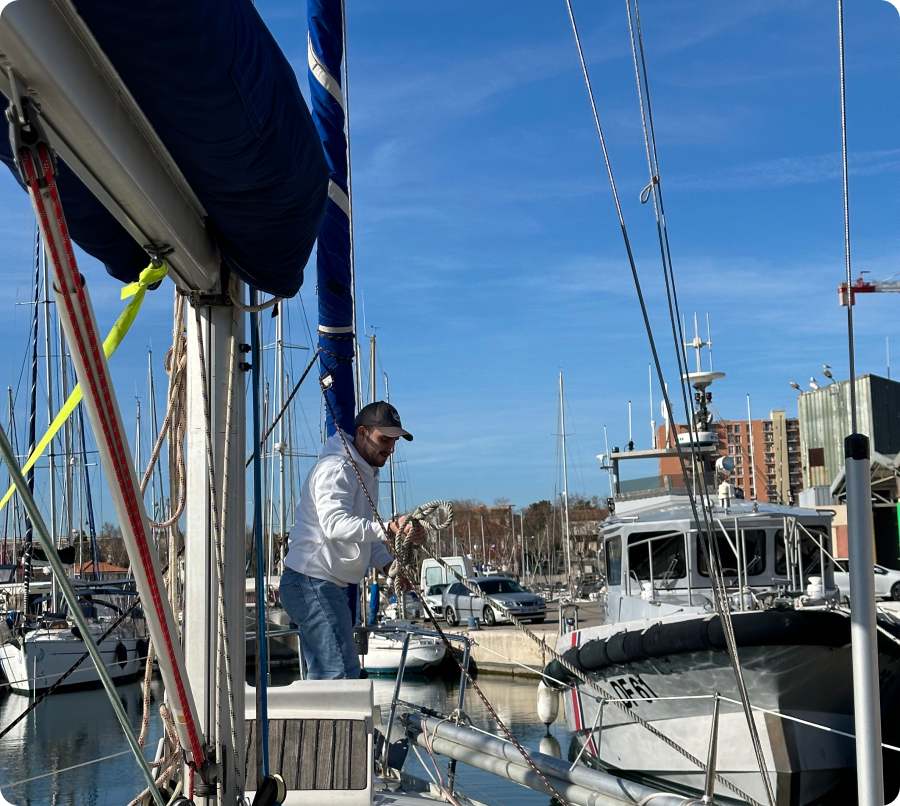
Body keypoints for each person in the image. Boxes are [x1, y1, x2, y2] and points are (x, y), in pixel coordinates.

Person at [280, 401, 424, 679]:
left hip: (315, 584)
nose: (390, 449)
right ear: (362, 433)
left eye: (394, 442)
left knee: (326, 674)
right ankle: (336, 722)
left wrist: (388, 566)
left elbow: (362, 537)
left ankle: (322, 721)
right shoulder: (337, 469)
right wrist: (391, 528)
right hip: (312, 582)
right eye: (384, 440)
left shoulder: (365, 471)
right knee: (340, 674)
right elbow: (335, 525)